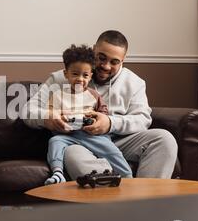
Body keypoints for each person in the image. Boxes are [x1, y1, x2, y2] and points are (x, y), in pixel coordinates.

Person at [22, 30, 178, 180]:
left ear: (123, 60)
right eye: (101, 58)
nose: (106, 66)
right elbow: (28, 111)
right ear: (93, 50)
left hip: (119, 141)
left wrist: (110, 123)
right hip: (77, 141)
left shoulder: (135, 83)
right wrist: (48, 117)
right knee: (72, 155)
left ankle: (146, 203)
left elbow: (143, 119)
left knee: (164, 139)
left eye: (114, 62)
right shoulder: (60, 78)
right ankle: (115, 197)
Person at [44, 44, 133, 185]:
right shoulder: (57, 95)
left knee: (111, 150)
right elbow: (49, 112)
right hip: (68, 136)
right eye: (75, 74)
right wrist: (56, 116)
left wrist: (96, 116)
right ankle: (57, 173)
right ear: (66, 74)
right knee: (54, 142)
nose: (80, 79)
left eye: (85, 75)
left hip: (91, 135)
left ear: (90, 75)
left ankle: (127, 176)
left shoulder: (93, 95)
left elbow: (103, 113)